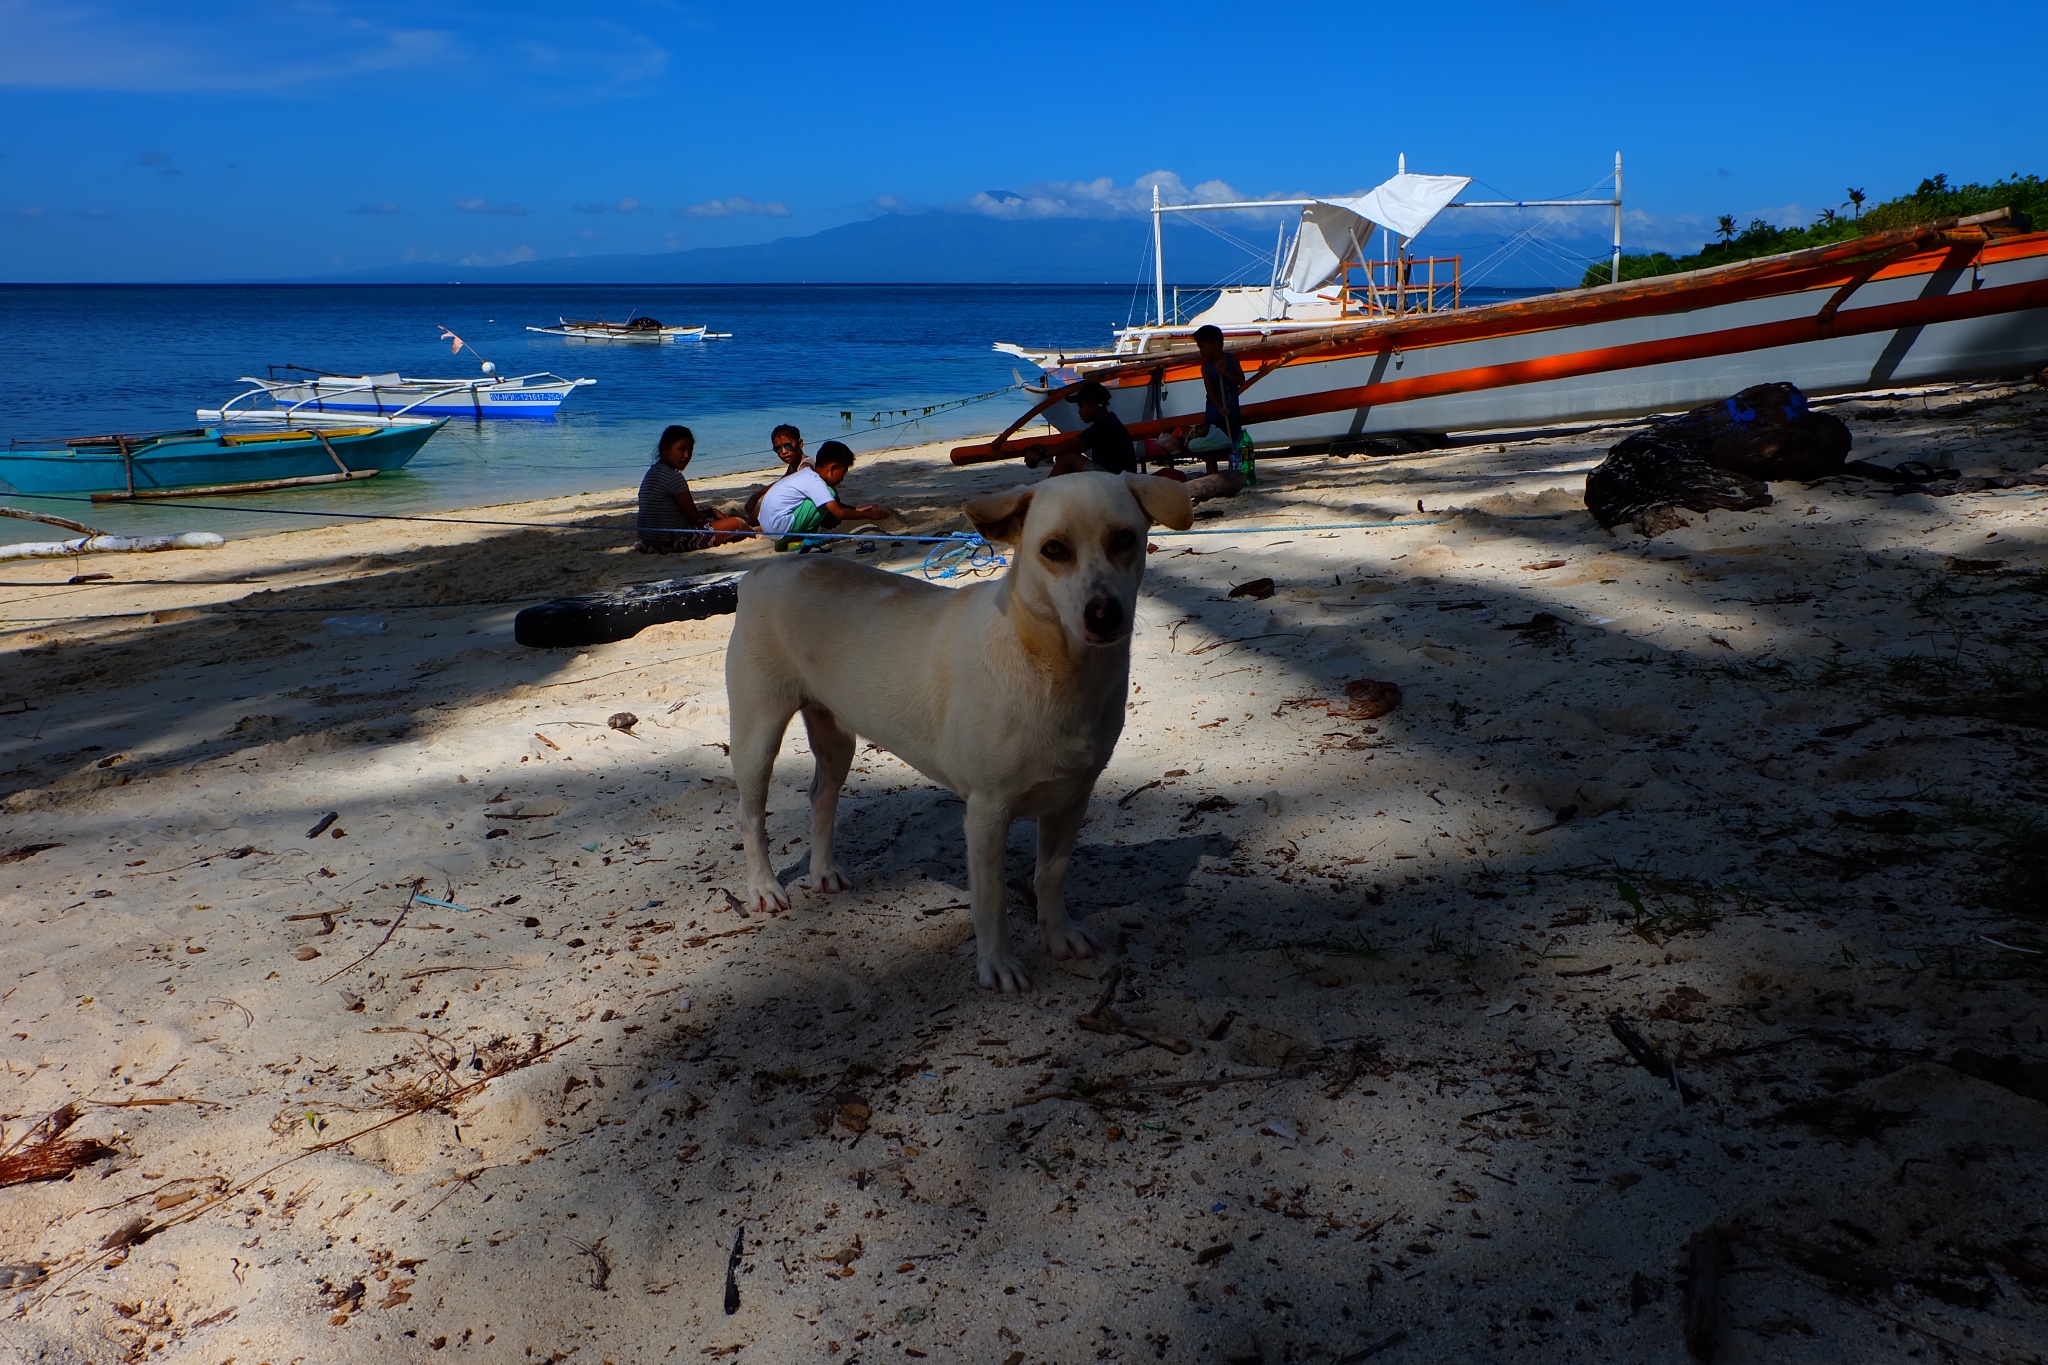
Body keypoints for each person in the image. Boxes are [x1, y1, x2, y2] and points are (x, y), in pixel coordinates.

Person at [755, 439, 892, 549]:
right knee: (829, 493)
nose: (842, 479)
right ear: (832, 468)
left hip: (770, 527)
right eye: (842, 474)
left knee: (822, 499)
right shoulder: (816, 482)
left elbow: (832, 505)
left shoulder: (806, 475)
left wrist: (855, 509)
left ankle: (783, 542)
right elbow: (839, 513)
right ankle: (801, 539)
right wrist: (869, 515)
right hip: (779, 527)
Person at [635, 425, 748, 554]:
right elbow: (695, 519)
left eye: (690, 450)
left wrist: (711, 513)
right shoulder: (674, 477)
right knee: (736, 523)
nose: (687, 455)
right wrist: (712, 514)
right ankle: (755, 532)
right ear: (664, 448)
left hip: (649, 541)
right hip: (674, 541)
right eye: (682, 449)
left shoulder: (652, 472)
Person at [1039, 382, 1138, 477]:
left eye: (1081, 407)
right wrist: (1044, 448)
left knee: (1069, 458)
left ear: (1094, 406)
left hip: (1118, 480)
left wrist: (1041, 454)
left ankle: (1044, 493)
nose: (1079, 412)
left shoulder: (1105, 425)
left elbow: (1073, 444)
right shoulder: (1108, 421)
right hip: (1118, 477)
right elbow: (1074, 446)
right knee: (1063, 455)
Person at [1187, 323, 1246, 477]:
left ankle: (1235, 473)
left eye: (1203, 346)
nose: (1201, 351)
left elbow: (1241, 380)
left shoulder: (1232, 359)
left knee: (1233, 442)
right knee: (1210, 445)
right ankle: (1212, 474)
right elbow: (1210, 392)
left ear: (1215, 344)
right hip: (1214, 411)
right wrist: (1219, 408)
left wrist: (1224, 372)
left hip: (1232, 410)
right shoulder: (1205, 367)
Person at [742, 424, 808, 525]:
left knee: (764, 500)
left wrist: (758, 497)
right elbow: (782, 481)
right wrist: (757, 495)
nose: (784, 452)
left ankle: (748, 524)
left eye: (788, 445)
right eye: (778, 449)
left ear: (800, 443)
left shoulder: (805, 466)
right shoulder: (794, 464)